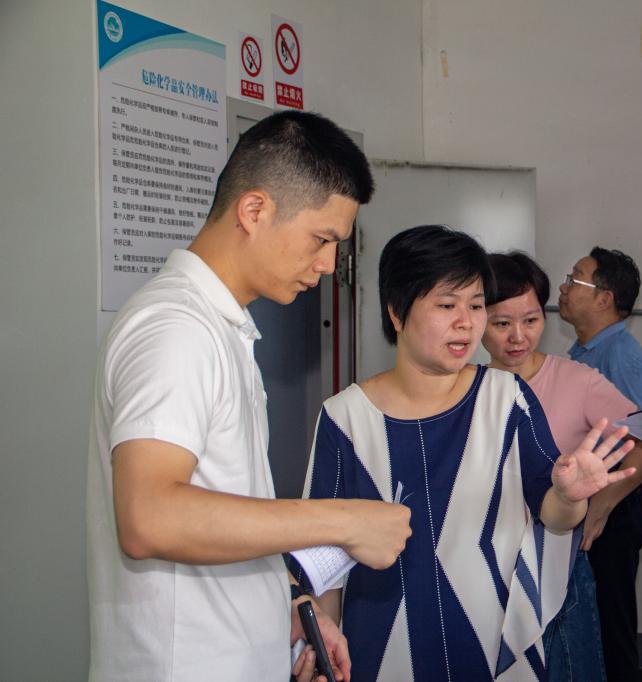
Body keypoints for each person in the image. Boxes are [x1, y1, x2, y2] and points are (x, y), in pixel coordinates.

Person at [86, 110, 412, 682]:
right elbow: (148, 517)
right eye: (322, 239)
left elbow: (218, 506)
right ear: (255, 210)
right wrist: (342, 521)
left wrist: (288, 601)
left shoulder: (221, 327)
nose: (328, 265)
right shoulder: (176, 328)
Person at [301, 225, 638, 681]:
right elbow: (324, 556)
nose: (466, 322)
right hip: (378, 648)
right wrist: (324, 647)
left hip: (492, 643)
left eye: (476, 305)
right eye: (447, 305)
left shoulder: (507, 398)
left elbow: (555, 517)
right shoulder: (344, 418)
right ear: (397, 312)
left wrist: (569, 495)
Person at [483, 252, 642, 681]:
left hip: (557, 562)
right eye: (501, 323)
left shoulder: (577, 379)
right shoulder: (466, 385)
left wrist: (601, 503)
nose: (518, 337)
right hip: (489, 562)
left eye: (531, 321)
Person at [557, 246, 642, 680]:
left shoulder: (620, 353)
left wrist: (605, 506)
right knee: (586, 622)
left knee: (610, 628)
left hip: (608, 507)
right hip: (592, 500)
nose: (563, 287)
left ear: (604, 298)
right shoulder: (581, 353)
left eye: (574, 279)